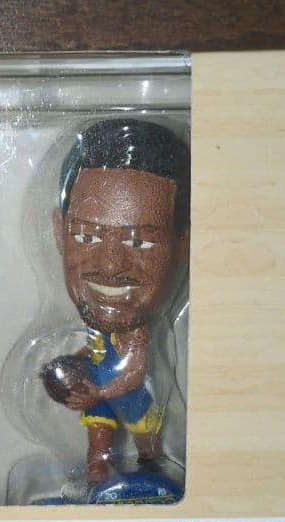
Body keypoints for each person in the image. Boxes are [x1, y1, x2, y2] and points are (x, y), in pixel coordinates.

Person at [49, 119, 189, 486]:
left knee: (148, 446)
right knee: (97, 446)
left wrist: (99, 390)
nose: (110, 266)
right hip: (97, 394)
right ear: (59, 233)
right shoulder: (96, 328)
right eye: (87, 236)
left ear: (183, 245)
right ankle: (97, 480)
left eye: (139, 242)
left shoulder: (136, 335)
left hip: (131, 400)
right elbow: (95, 352)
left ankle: (149, 471)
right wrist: (72, 368)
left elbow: (134, 373)